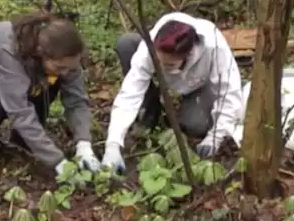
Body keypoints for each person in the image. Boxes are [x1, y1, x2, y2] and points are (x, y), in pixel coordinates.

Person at [0, 12, 101, 177]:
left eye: (70, 68)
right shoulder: (9, 51)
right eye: (60, 67)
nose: (66, 72)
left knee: (51, 79)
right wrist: (57, 161)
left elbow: (77, 101)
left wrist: (84, 143)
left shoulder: (66, 56)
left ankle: (22, 142)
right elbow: (19, 111)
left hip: (2, 79)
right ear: (40, 52)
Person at [102, 12, 244, 174]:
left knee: (195, 125)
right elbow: (130, 92)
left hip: (200, 87)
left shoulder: (214, 46)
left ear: (188, 55)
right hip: (167, 84)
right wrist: (113, 143)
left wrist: (216, 137)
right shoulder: (149, 47)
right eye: (158, 62)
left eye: (168, 65)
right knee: (126, 44)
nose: (161, 67)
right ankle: (150, 113)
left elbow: (228, 93)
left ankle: (194, 107)